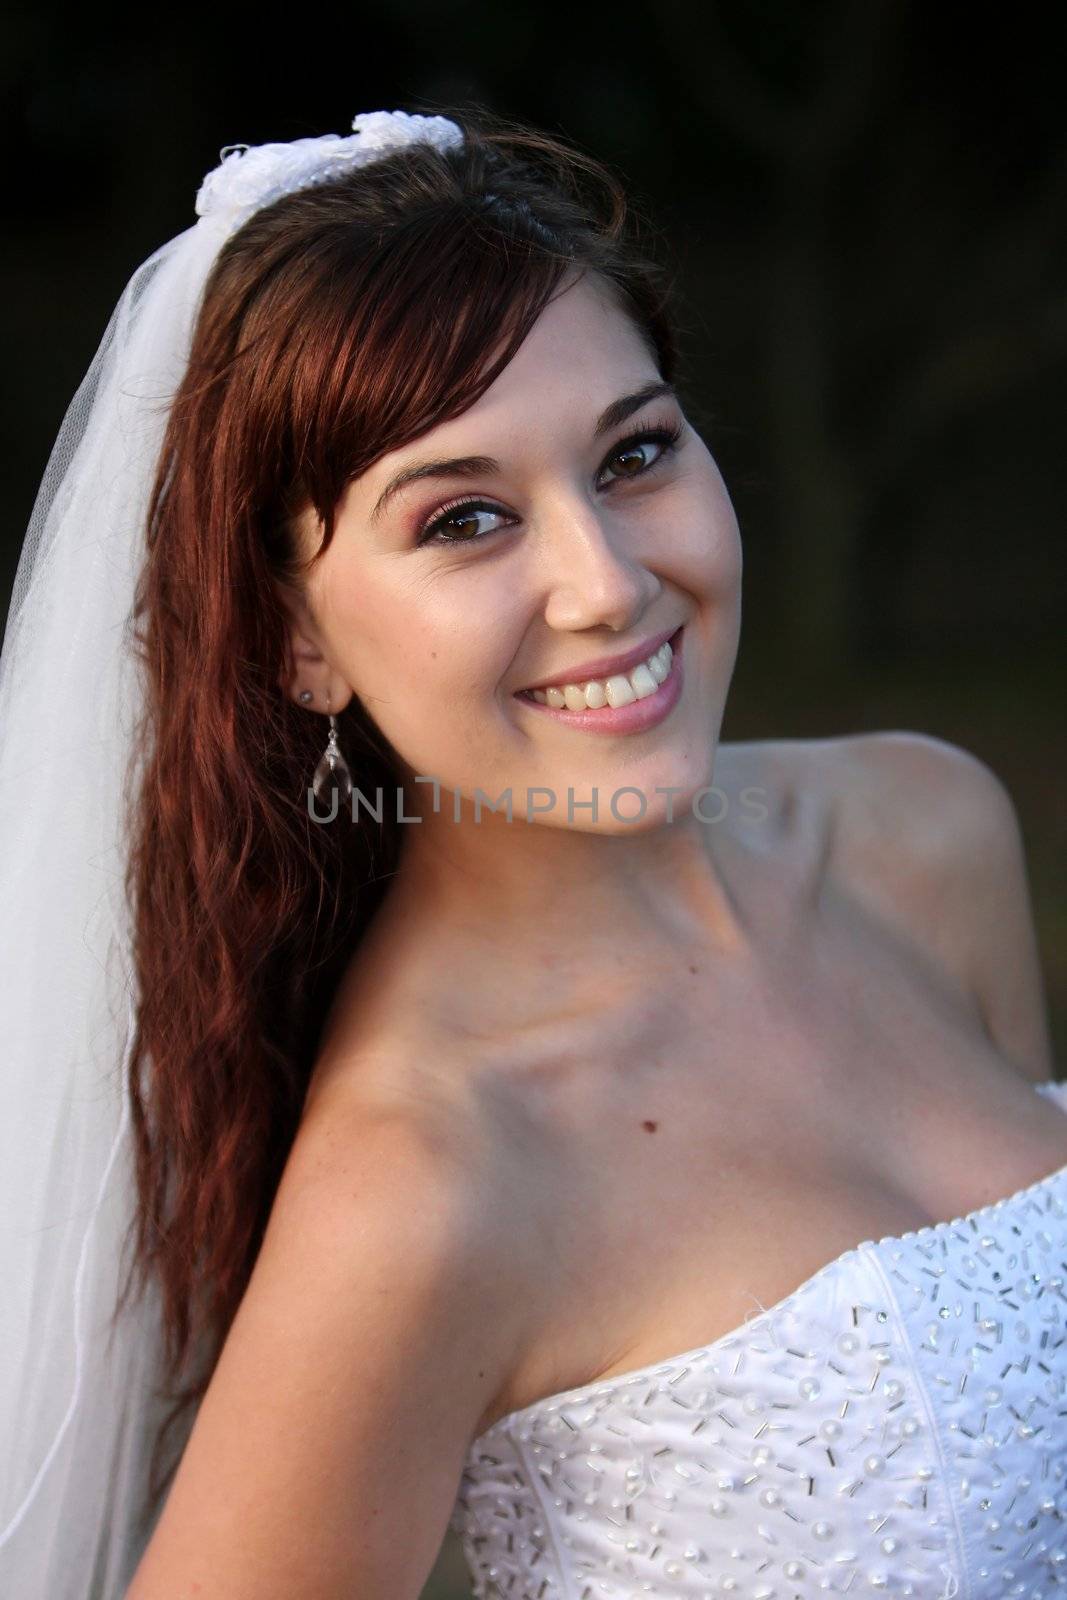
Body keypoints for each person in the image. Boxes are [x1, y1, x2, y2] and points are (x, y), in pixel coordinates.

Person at [1, 103, 1063, 1600]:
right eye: (467, 519)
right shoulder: (427, 1175)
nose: (606, 584)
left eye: (635, 453)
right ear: (299, 640)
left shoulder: (926, 833)